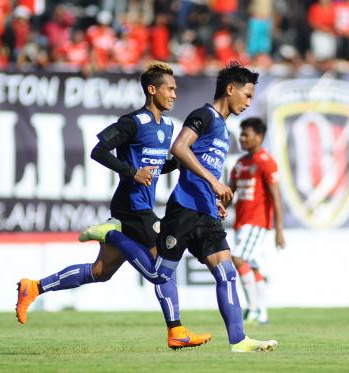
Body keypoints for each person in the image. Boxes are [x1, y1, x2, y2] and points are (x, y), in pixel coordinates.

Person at [79, 62, 278, 352]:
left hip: (205, 211)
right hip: (184, 210)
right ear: (230, 89)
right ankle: (114, 235)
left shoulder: (223, 127)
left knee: (227, 273)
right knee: (161, 275)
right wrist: (215, 184)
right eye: (247, 95)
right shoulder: (204, 116)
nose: (249, 102)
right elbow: (180, 149)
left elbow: (189, 162)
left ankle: (239, 340)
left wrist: (212, 199)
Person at [16, 61, 211, 350]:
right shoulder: (132, 122)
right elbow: (98, 150)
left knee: (100, 272)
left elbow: (156, 166)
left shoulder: (167, 126)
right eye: (170, 89)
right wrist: (132, 173)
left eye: (176, 89)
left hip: (136, 207)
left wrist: (181, 163)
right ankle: (176, 330)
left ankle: (33, 287)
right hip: (131, 207)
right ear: (152, 89)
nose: (174, 94)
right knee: (163, 267)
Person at [228, 117, 285, 325]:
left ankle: (251, 309)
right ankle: (262, 311)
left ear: (259, 137)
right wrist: (220, 210)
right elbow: (230, 192)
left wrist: (278, 229)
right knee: (252, 266)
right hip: (241, 222)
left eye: (246, 134)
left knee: (238, 258)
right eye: (241, 134)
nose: (242, 138)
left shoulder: (266, 161)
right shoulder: (240, 163)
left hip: (257, 221)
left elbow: (276, 197)